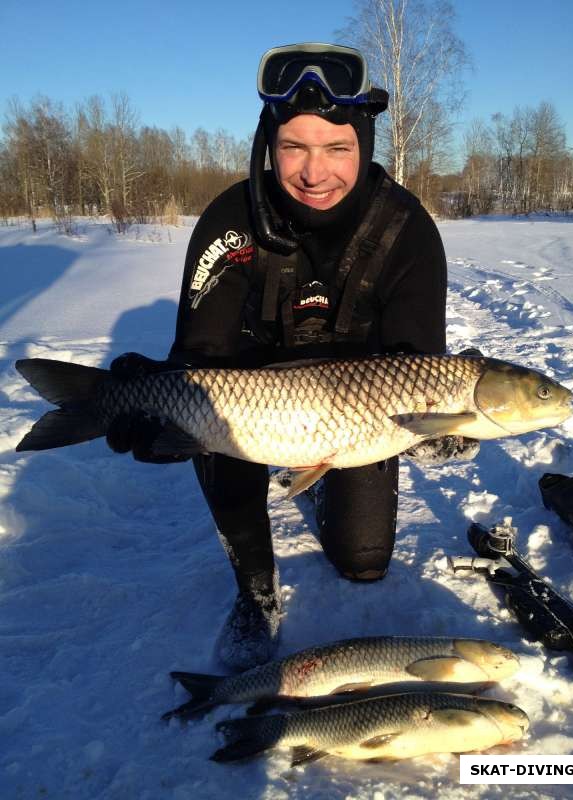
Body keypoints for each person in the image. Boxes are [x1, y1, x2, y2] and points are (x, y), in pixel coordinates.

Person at [107, 43, 478, 672]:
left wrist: (440, 430)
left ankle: (314, 488)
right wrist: (157, 400)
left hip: (356, 412)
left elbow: (422, 367)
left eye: (337, 148)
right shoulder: (230, 220)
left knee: (363, 562)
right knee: (211, 425)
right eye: (293, 148)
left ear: (363, 146)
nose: (315, 172)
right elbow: (200, 360)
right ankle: (255, 594)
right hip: (249, 401)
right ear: (268, 145)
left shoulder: (406, 229)